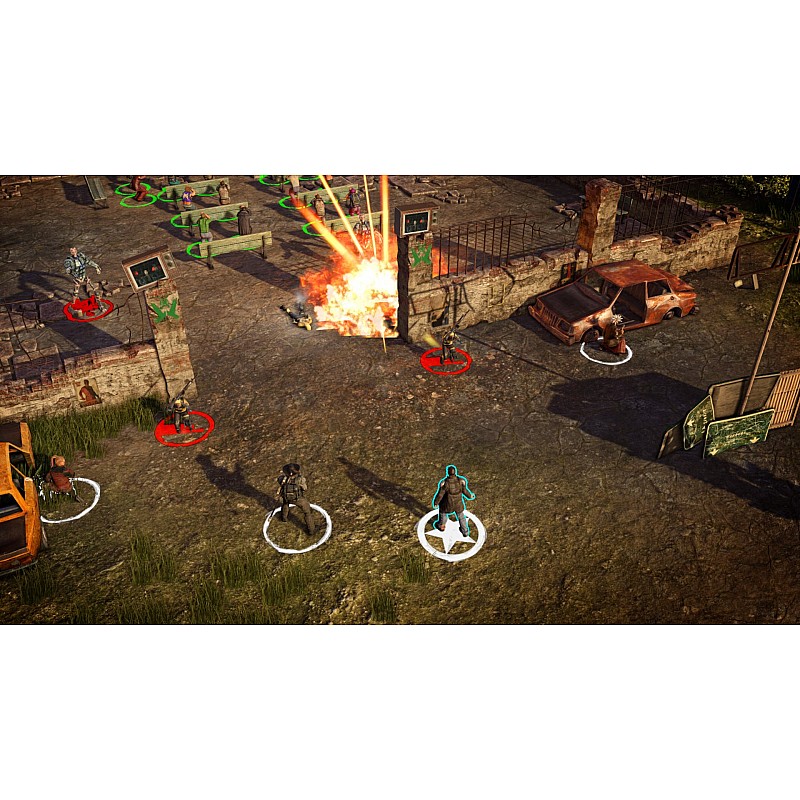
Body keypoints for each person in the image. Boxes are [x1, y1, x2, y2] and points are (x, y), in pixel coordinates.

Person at [432, 465, 475, 535]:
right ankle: (465, 531)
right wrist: (470, 496)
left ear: (448, 472)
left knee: (443, 512)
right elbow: (465, 491)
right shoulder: (461, 481)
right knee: (461, 517)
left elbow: (440, 495)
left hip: (447, 504)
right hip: (458, 504)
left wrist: (436, 502)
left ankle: (442, 526)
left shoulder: (445, 483)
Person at [276, 463, 316, 535]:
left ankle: (284, 518)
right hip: (298, 499)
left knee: (285, 505)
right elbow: (305, 488)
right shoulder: (301, 479)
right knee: (307, 512)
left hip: (286, 498)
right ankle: (311, 530)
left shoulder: (282, 479)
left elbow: (279, 482)